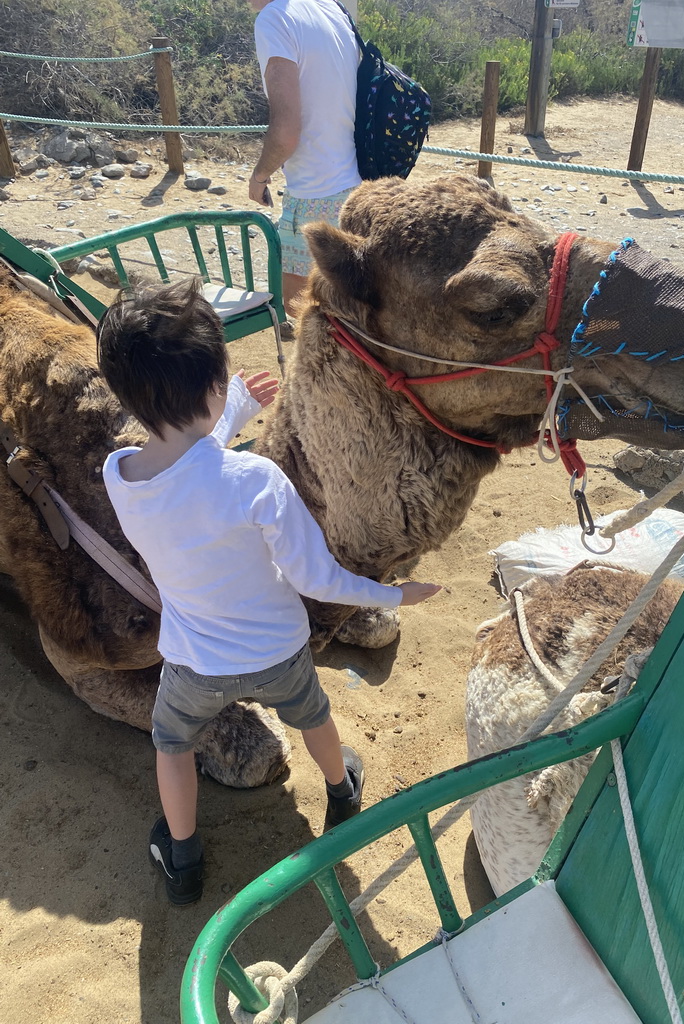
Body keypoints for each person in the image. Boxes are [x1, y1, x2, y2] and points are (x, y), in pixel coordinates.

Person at [97, 280, 440, 905]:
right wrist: (391, 596)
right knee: (314, 716)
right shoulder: (256, 478)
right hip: (279, 651)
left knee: (172, 743)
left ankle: (184, 858)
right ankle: (341, 793)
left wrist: (227, 416)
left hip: (195, 663)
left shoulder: (120, 476)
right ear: (215, 382)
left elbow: (190, 472)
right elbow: (316, 578)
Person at [247, 0, 361, 318]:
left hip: (314, 195)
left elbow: (286, 133)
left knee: (304, 317)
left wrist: (259, 176)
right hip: (356, 186)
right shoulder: (332, 10)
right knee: (351, 320)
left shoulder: (274, 19)